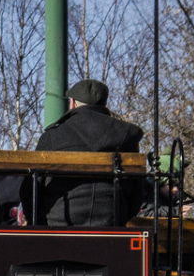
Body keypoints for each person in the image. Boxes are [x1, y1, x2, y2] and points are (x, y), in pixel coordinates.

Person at [35, 78, 146, 228]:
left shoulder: (52, 137)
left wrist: (40, 222)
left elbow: (32, 190)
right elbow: (136, 192)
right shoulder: (126, 135)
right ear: (104, 105)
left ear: (72, 103)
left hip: (59, 223)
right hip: (112, 222)